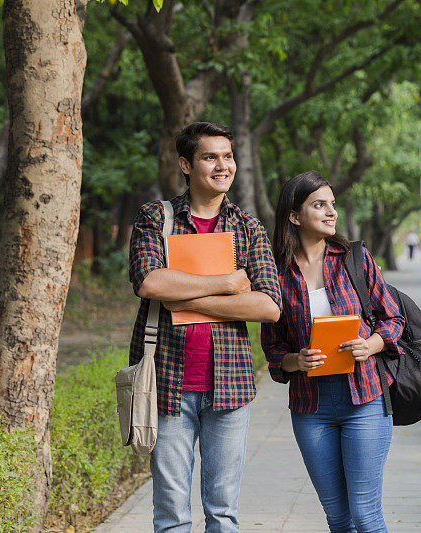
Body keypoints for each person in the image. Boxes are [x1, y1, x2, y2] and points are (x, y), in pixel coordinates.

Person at [128, 121, 281, 532]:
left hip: (229, 386)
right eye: (210, 156)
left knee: (223, 512)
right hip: (168, 385)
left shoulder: (247, 228)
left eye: (227, 156)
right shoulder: (157, 218)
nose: (222, 165)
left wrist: (185, 295)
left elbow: (268, 306)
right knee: (172, 515)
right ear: (185, 164)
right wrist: (227, 284)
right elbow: (149, 282)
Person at [261, 171, 405, 532]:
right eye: (319, 205)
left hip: (365, 398)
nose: (331, 213)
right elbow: (273, 348)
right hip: (312, 406)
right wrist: (296, 360)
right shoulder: (276, 275)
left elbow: (393, 318)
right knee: (338, 517)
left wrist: (370, 345)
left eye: (332, 205)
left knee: (365, 513)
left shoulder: (353, 259)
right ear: (294, 216)